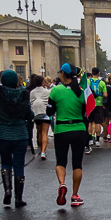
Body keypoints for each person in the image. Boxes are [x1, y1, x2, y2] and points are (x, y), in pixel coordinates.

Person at [0, 70, 34, 207]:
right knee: (19, 165)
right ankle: (18, 198)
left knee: (5, 162)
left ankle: (7, 190)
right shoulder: (23, 95)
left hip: (2, 134)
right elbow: (29, 114)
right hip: (20, 134)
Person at [48, 64, 88, 206]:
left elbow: (49, 112)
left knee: (61, 161)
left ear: (63, 74)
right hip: (79, 129)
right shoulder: (82, 91)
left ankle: (62, 184)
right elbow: (86, 112)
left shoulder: (56, 90)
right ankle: (75, 195)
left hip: (61, 129)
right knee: (77, 164)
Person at [28, 75, 51, 159]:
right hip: (45, 113)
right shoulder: (47, 92)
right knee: (45, 133)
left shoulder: (32, 92)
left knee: (39, 132)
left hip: (36, 114)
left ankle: (40, 147)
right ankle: (43, 152)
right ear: (42, 82)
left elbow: (30, 103)